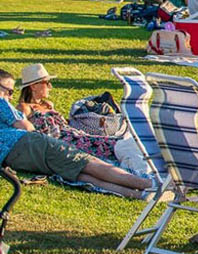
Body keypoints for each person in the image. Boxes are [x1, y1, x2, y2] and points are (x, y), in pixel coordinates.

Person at [0, 69, 151, 198]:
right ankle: (150, 185)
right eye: (9, 91)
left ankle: (140, 194)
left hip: (13, 158)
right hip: (28, 143)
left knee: (79, 175)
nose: (11, 96)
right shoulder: (2, 102)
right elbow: (25, 126)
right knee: (87, 162)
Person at [17, 64, 119, 162]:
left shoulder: (48, 105)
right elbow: (25, 135)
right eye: (47, 82)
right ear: (33, 86)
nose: (50, 87)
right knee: (113, 147)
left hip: (76, 136)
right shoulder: (24, 108)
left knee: (118, 143)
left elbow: (64, 125)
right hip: (62, 145)